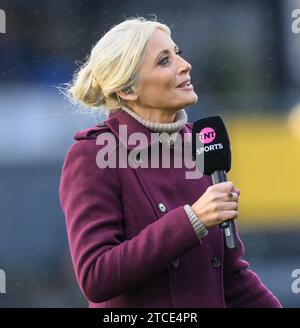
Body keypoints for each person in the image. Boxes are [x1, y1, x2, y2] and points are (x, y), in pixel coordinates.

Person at [58, 16, 282, 308]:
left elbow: (230, 276)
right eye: (164, 60)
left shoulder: (201, 143)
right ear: (127, 90)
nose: (184, 64)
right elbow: (96, 276)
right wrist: (192, 220)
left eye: (177, 52)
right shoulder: (93, 154)